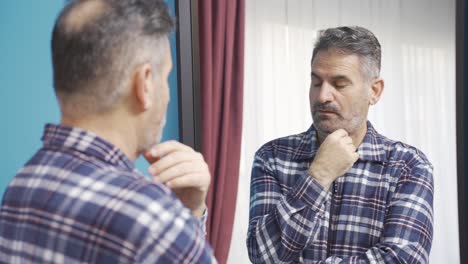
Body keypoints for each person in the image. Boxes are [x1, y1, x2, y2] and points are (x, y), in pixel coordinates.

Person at [0, 0, 216, 263]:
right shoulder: (154, 219)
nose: (168, 95)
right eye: (165, 77)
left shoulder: (22, 184)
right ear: (145, 83)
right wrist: (189, 215)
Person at [247, 26, 434, 263]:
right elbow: (262, 256)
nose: (323, 96)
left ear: (374, 91)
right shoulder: (272, 157)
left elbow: (403, 259)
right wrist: (318, 176)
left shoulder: (409, 166)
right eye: (316, 82)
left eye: (339, 84)